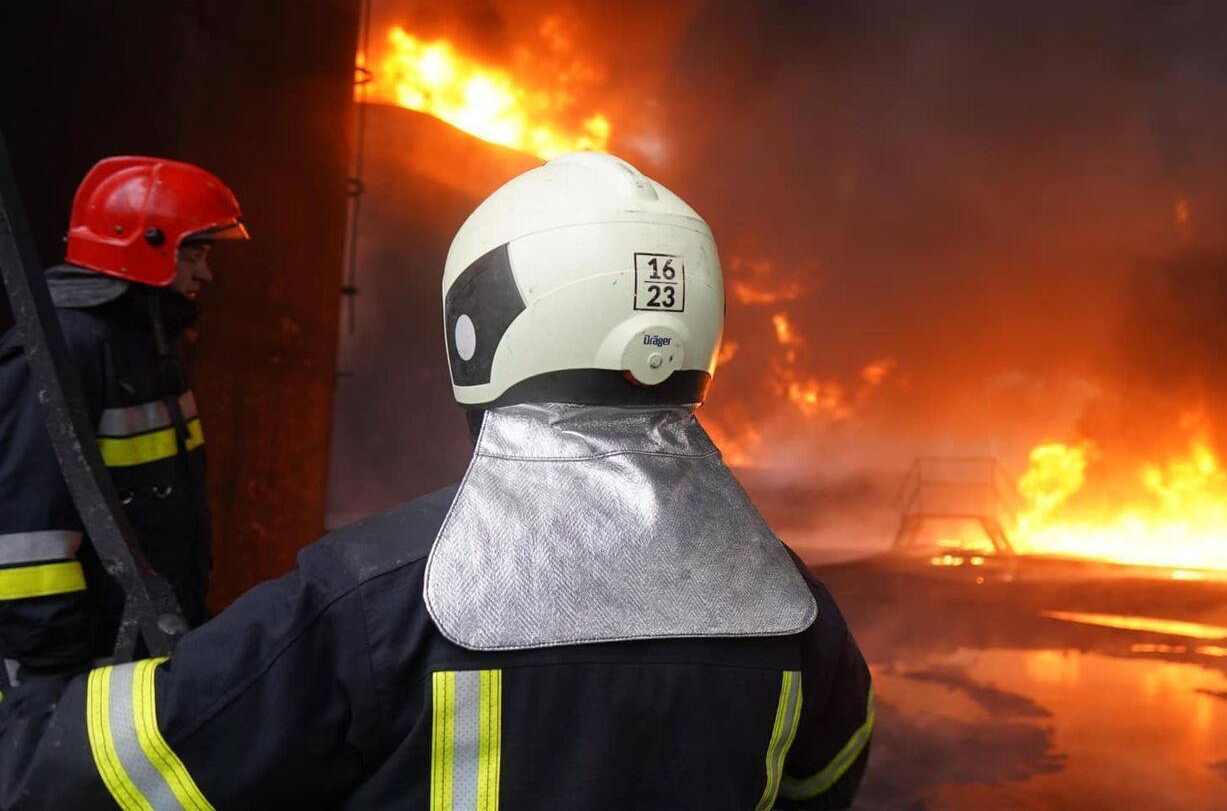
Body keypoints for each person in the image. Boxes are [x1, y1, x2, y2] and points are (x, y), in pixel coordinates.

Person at [0, 151, 872, 810]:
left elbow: (106, 768)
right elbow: (827, 780)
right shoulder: (794, 611)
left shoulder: (368, 607)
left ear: (477, 329)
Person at [0, 156, 247, 690]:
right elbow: (25, 541)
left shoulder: (145, 346)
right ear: (148, 245)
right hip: (75, 673)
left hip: (135, 658)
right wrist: (53, 680)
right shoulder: (65, 348)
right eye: (196, 252)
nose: (205, 272)